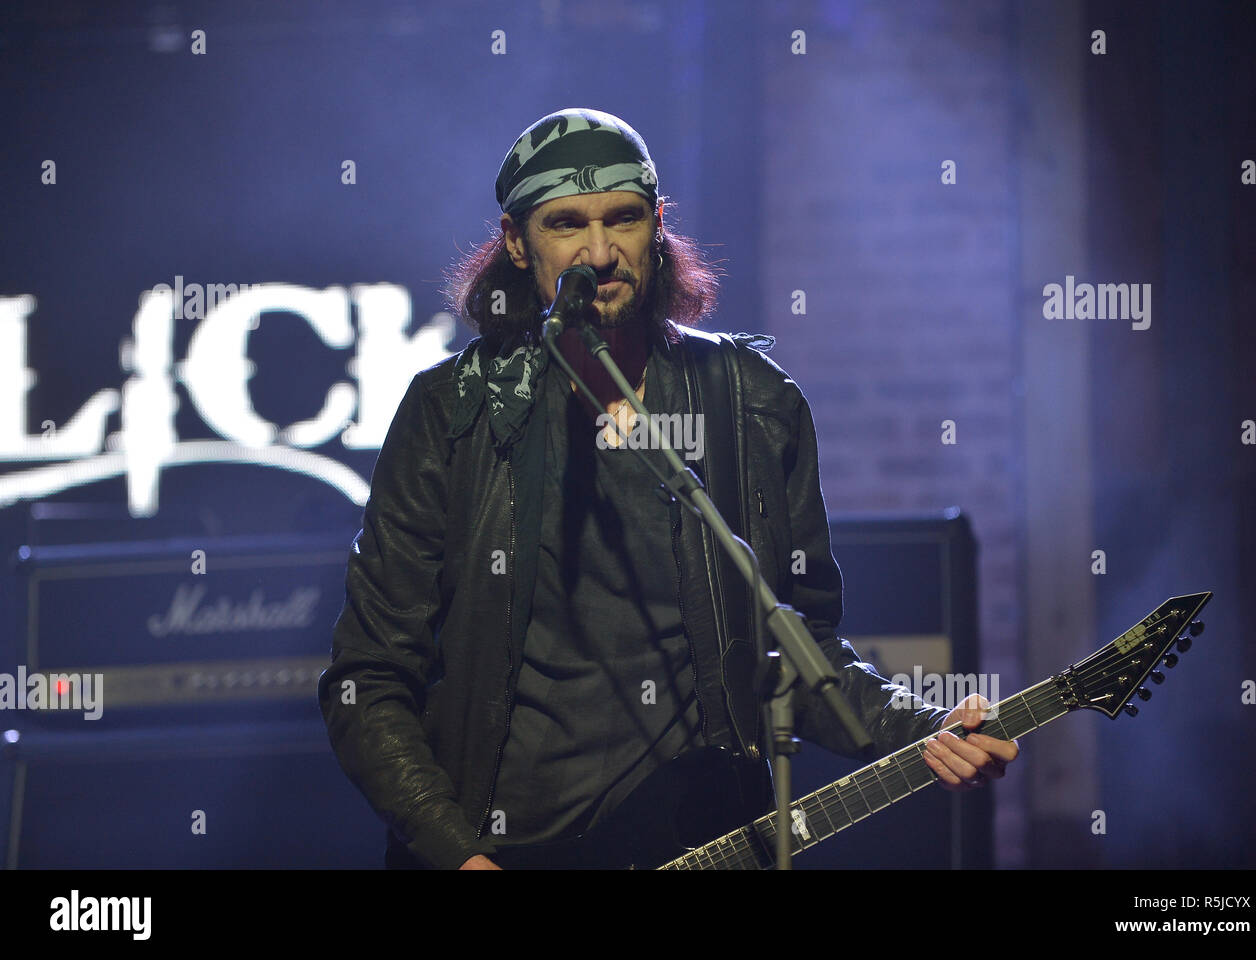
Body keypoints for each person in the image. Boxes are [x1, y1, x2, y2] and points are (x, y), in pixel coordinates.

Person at [317, 107, 1018, 870]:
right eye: (564, 224)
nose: (599, 251)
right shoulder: (453, 411)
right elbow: (369, 677)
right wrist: (457, 855)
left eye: (623, 218)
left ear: (657, 224)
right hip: (509, 847)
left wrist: (921, 731)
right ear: (516, 244)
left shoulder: (752, 402)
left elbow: (797, 649)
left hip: (700, 836)